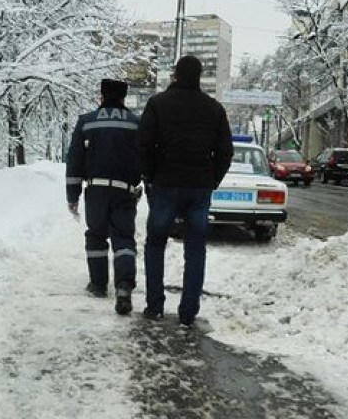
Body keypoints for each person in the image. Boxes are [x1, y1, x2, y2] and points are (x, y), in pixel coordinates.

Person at [139, 55, 233, 325]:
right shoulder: (214, 109)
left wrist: (150, 176)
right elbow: (225, 151)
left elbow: (144, 144)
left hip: (165, 183)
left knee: (155, 243)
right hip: (199, 187)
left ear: (176, 75)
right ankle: (188, 312)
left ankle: (154, 305)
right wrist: (211, 179)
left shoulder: (158, 104)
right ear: (199, 76)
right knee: (195, 248)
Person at [65, 79, 141, 316]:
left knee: (96, 236)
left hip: (96, 190)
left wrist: (72, 195)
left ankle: (98, 284)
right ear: (123, 98)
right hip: (124, 190)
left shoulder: (86, 121)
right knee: (124, 239)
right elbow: (145, 157)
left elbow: (75, 160)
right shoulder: (136, 123)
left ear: (102, 96)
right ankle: (124, 288)